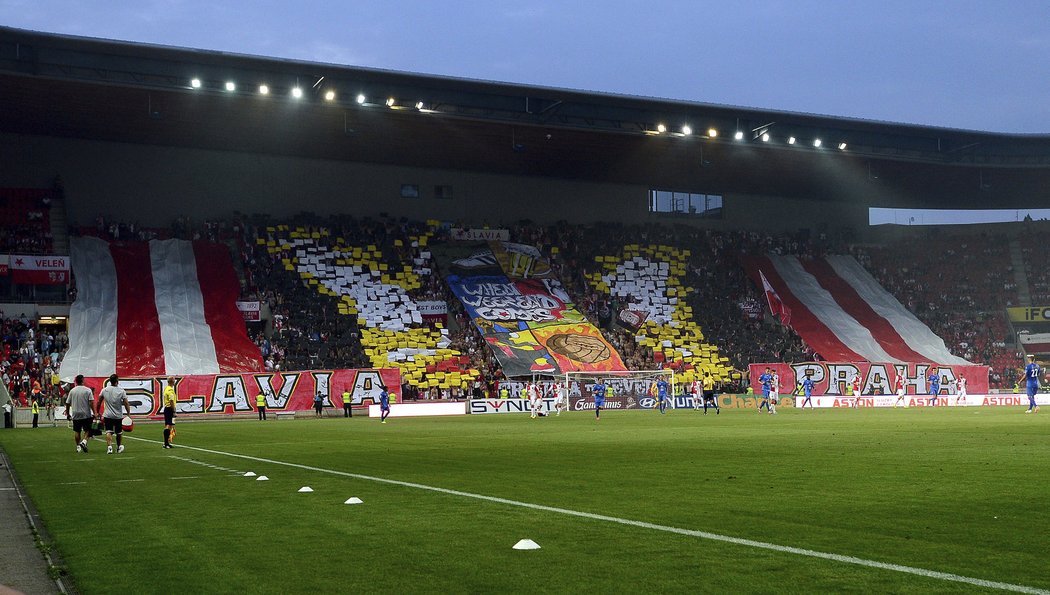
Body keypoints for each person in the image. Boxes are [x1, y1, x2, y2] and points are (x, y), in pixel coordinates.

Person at [95, 374, 131, 454]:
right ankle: (118, 447)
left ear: (110, 381)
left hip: (107, 415)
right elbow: (126, 403)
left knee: (108, 431)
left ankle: (109, 448)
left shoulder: (104, 390)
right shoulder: (121, 391)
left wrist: (97, 412)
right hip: (118, 415)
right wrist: (128, 414)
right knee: (119, 432)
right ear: (117, 381)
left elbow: (99, 402)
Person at [64, 375, 94, 452]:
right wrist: (95, 412)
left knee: (77, 431)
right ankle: (84, 442)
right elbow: (91, 402)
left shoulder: (72, 391)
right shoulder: (88, 390)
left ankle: (78, 446)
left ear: (76, 381)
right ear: (83, 380)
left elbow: (67, 403)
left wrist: (67, 413)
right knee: (88, 430)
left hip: (75, 413)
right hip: (86, 414)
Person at [162, 376, 177, 449]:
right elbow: (171, 401)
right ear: (172, 381)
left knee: (170, 425)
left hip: (167, 408)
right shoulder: (170, 390)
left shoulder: (166, 389)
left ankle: (167, 442)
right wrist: (174, 411)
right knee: (169, 425)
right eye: (174, 380)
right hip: (170, 409)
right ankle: (166, 443)